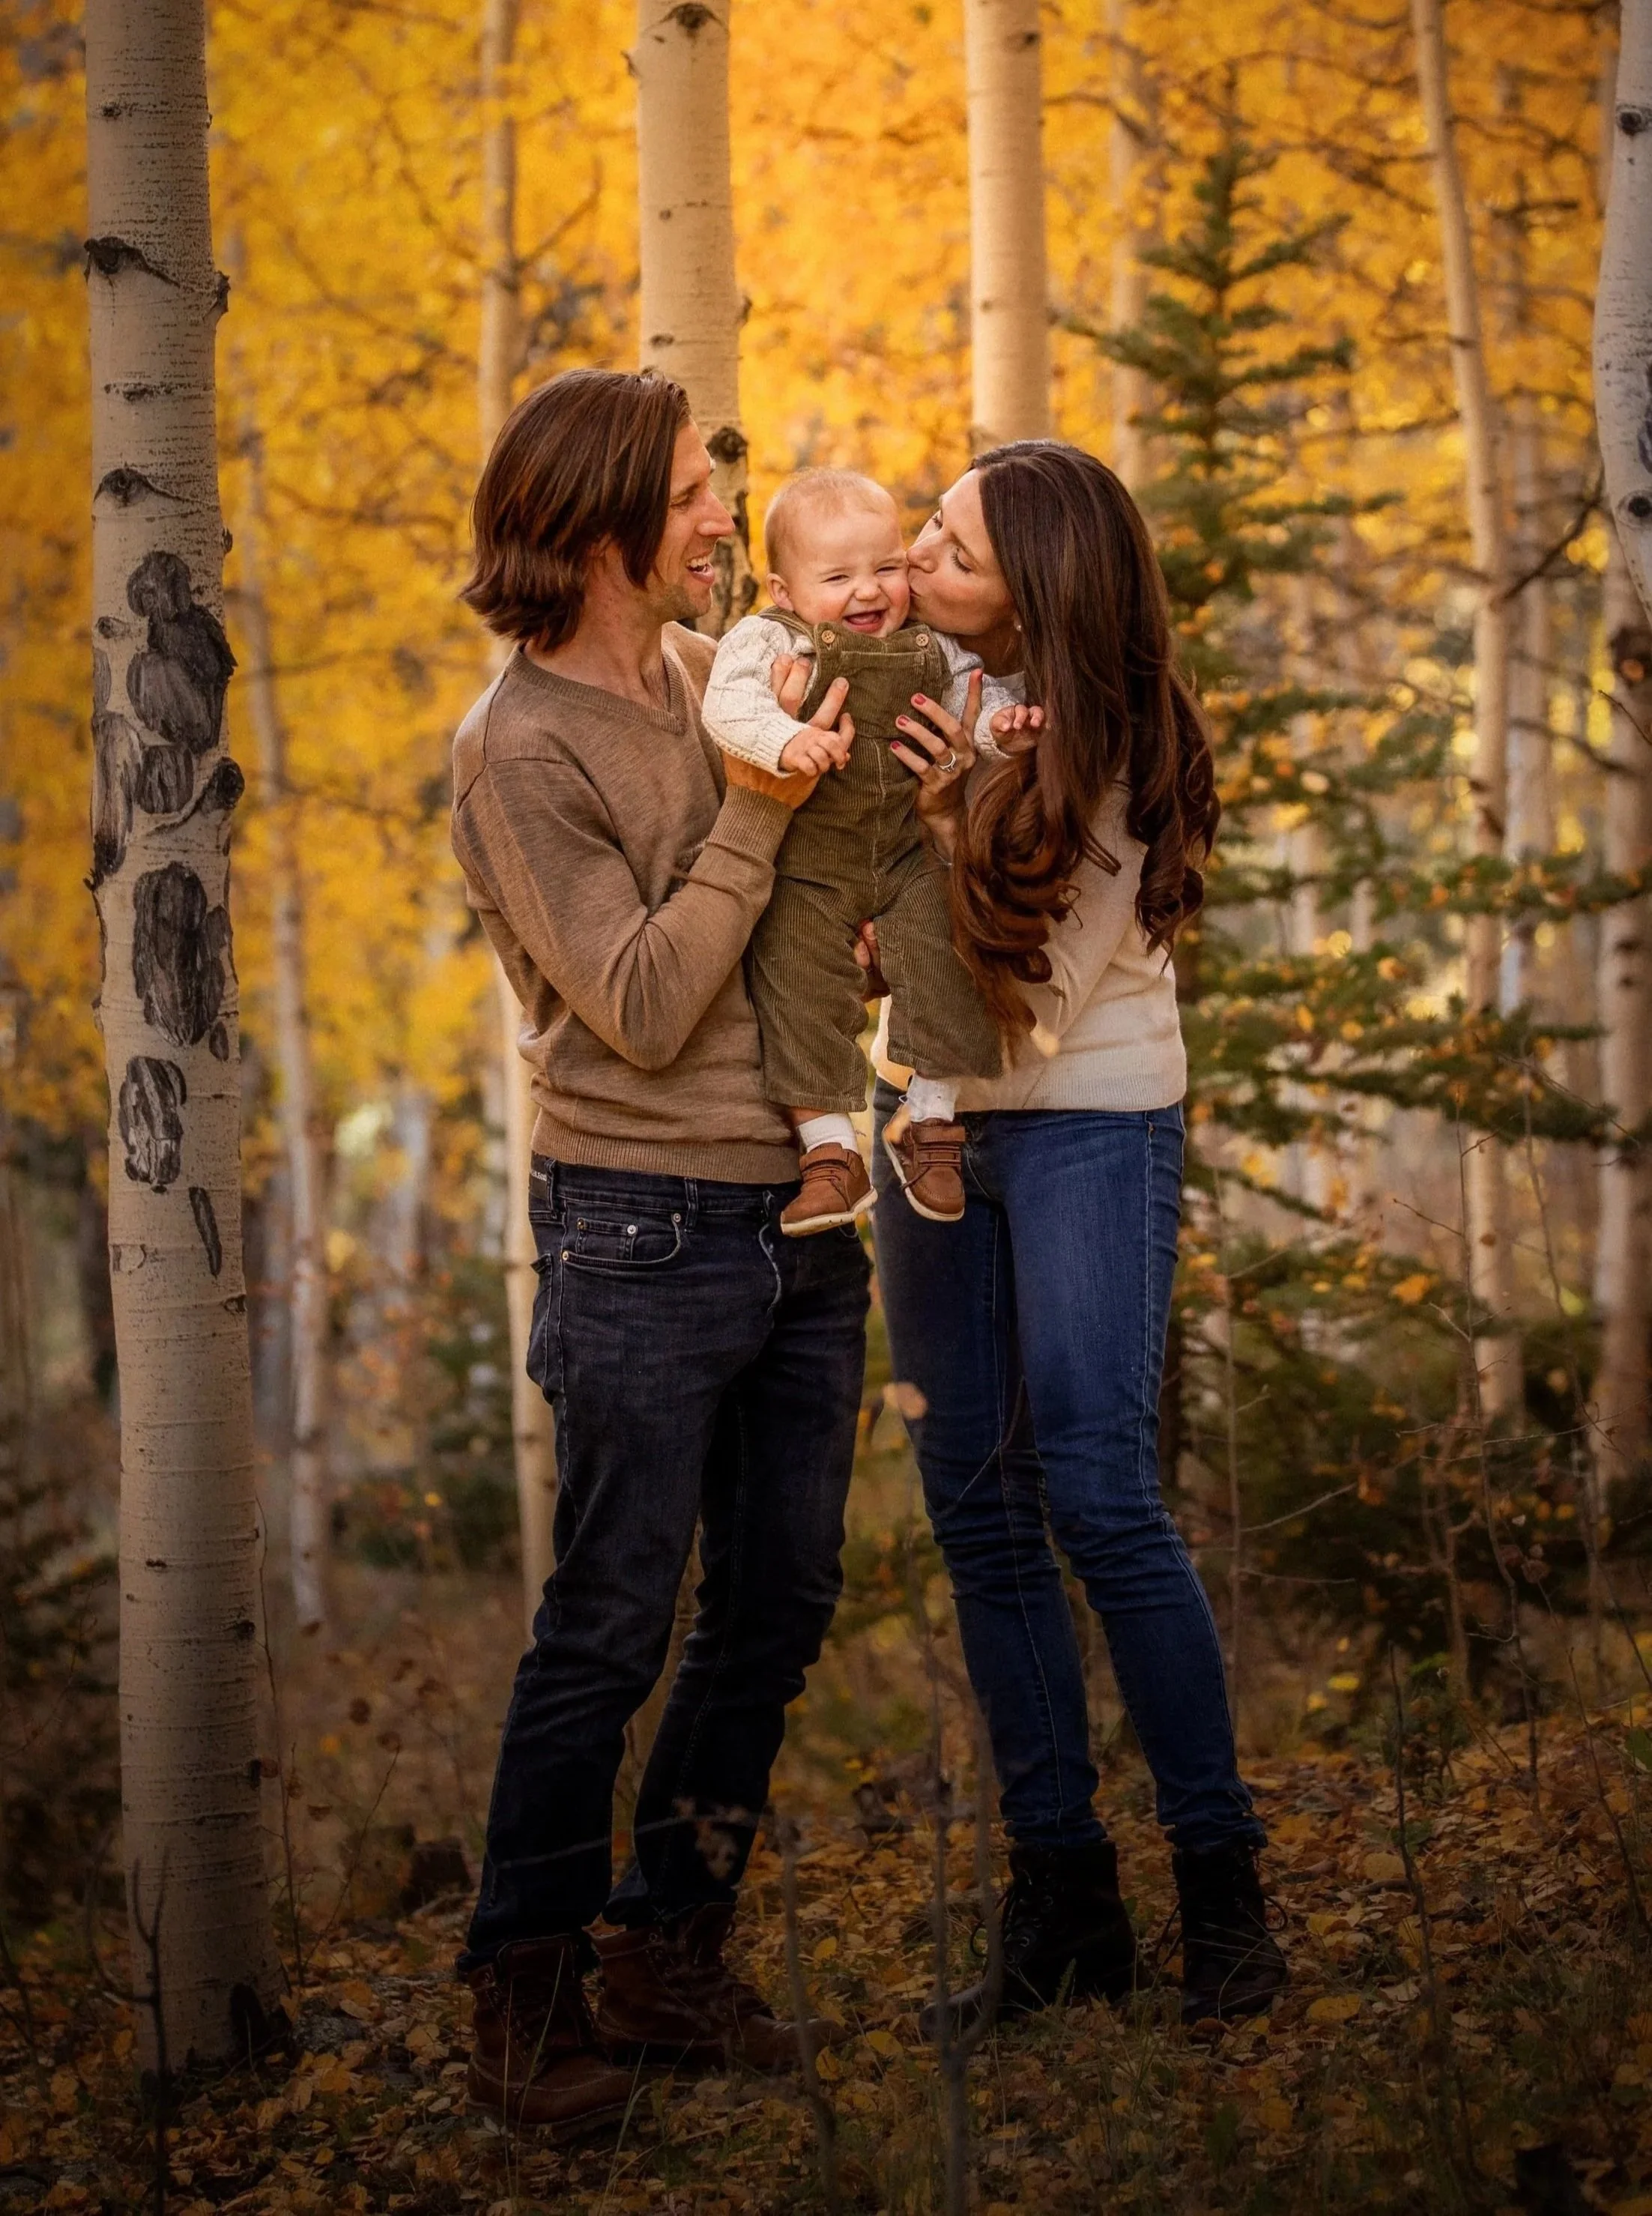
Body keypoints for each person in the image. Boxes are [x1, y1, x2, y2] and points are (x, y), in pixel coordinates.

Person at [448, 369, 871, 2133]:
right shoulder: (516, 747)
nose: (725, 523)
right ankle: (525, 1989)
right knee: (613, 1618)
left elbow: (774, 930)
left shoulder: (710, 680)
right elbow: (629, 1002)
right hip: (637, 1220)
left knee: (774, 1606)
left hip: (796, 1207)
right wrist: (765, 821)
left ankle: (667, 1947)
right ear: (614, 523)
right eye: (702, 496)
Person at [868, 440, 1288, 2032]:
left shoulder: (1112, 741)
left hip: (1083, 1124)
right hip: (931, 1123)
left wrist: (927, 833)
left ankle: (1221, 1891)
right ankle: (1062, 1904)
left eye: (950, 548)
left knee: (1101, 1499)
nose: (915, 560)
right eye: (921, 532)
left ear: (1034, 584)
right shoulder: (930, 691)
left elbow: (1024, 1004)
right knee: (978, 1511)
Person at [702, 467, 1023, 1235]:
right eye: (839, 577)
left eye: (886, 568)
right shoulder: (769, 638)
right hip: (811, 862)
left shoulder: (932, 648)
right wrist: (787, 740)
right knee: (794, 976)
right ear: (783, 589)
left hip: (907, 851)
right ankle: (828, 1152)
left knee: (949, 947)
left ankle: (931, 1121)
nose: (869, 592)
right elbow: (729, 704)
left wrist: (1003, 730)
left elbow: (970, 705)